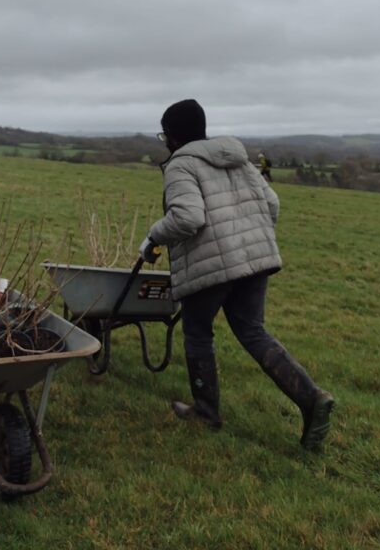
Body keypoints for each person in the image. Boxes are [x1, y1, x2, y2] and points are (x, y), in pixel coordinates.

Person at [139, 99, 334, 450]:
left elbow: (189, 217)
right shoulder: (238, 158)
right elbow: (272, 203)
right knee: (252, 330)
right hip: (254, 260)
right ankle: (312, 398)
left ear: (172, 135)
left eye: (164, 134)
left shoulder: (181, 164)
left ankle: (206, 412)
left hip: (213, 266)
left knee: (198, 333)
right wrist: (248, 242)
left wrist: (153, 236)